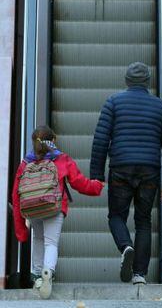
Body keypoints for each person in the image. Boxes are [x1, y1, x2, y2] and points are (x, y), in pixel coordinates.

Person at [90, 62, 162, 285]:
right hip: (149, 170)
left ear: (127, 80)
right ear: (147, 82)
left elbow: (101, 140)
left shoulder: (113, 103)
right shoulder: (161, 107)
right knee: (144, 221)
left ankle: (125, 245)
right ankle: (139, 274)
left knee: (116, 216)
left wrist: (96, 175)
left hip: (121, 168)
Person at [12, 125, 104, 299]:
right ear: (53, 140)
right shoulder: (61, 159)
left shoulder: (25, 163)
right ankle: (48, 272)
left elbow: (15, 194)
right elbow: (79, 182)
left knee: (38, 239)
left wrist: (20, 228)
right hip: (54, 207)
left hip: (32, 209)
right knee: (51, 242)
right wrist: (97, 186)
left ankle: (38, 276)